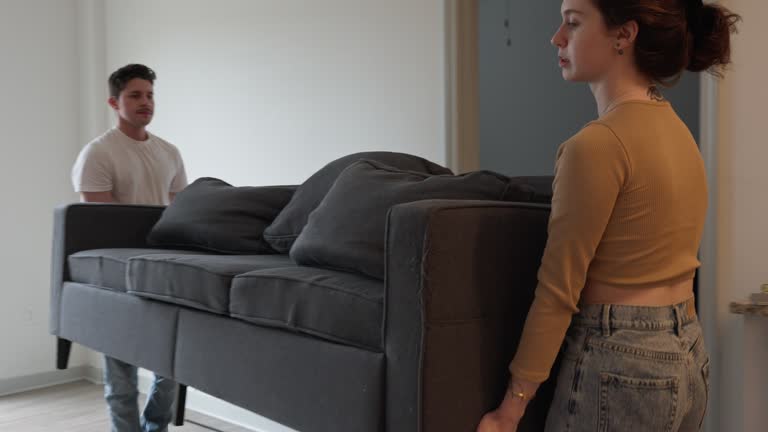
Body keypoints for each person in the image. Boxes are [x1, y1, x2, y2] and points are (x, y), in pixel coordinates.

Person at [477, 1, 740, 431]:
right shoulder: (677, 132)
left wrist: (512, 408)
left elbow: (558, 290)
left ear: (624, 35)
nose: (557, 37)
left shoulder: (596, 146)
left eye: (574, 23)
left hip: (623, 364)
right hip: (688, 353)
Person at [71, 63, 188, 432]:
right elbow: (102, 225)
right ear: (114, 102)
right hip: (118, 273)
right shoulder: (98, 154)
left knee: (171, 363)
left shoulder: (169, 151)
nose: (145, 102)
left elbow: (180, 211)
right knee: (121, 373)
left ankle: (156, 426)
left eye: (150, 95)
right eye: (135, 95)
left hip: (164, 267)